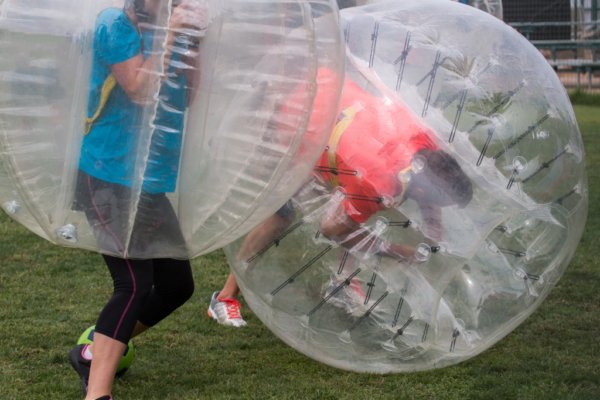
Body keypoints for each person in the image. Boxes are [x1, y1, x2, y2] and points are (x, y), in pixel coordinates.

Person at [207, 70, 473, 327]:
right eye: (439, 203)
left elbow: (428, 188)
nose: (435, 208)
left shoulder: (422, 141)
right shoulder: (377, 185)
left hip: (325, 88)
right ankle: (223, 298)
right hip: (294, 126)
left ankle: (342, 282)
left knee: (351, 214)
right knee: (282, 215)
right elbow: (332, 229)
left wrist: (432, 229)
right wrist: (397, 252)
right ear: (426, 190)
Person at [69, 1, 208, 399]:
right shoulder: (115, 23)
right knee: (132, 283)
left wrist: (191, 43)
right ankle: (98, 393)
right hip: (107, 172)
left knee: (176, 284)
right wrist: (170, 40)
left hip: (147, 179)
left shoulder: (171, 27)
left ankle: (94, 352)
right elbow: (139, 89)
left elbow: (185, 99)